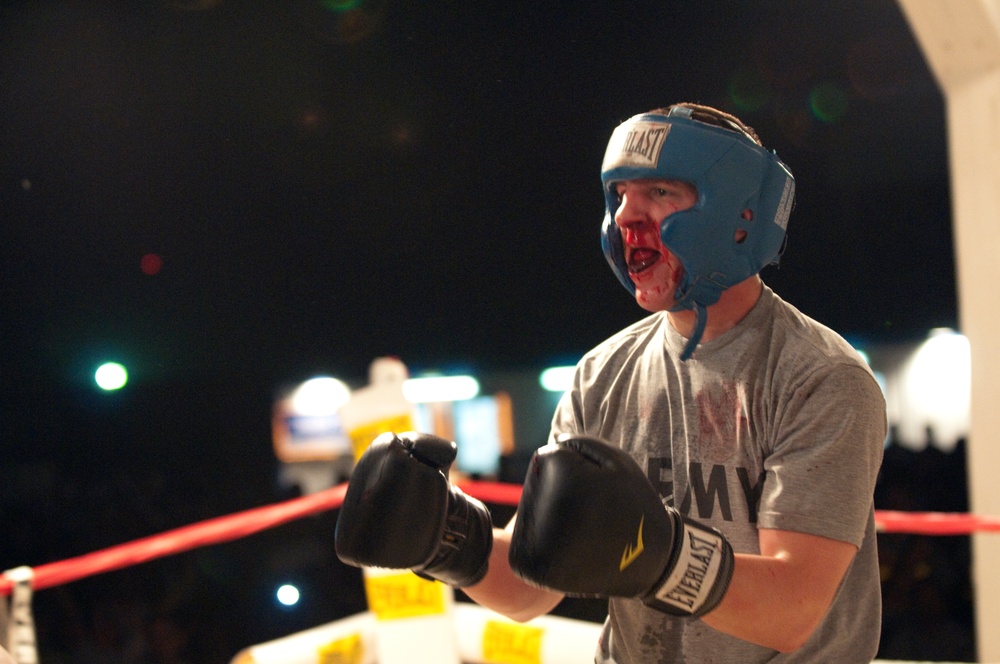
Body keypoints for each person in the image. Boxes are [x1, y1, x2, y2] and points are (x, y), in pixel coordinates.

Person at [335, 103, 887, 663]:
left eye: (662, 192)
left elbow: (792, 611)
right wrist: (448, 537)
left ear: (743, 215)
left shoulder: (821, 378)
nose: (627, 217)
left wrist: (660, 556)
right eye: (620, 194)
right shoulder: (603, 374)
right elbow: (531, 586)